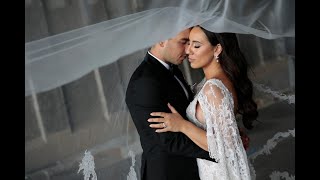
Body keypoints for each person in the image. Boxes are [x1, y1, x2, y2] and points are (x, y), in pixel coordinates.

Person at [148, 26, 258, 180]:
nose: (188, 51)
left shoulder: (213, 89)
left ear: (217, 49)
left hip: (220, 173)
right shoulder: (211, 82)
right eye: (189, 43)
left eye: (196, 45)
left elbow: (225, 148)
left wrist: (182, 126)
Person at [125, 28, 216, 180]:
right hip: (168, 172)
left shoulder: (170, 69)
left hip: (190, 167)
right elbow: (167, 140)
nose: (188, 50)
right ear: (161, 40)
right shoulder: (145, 82)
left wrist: (225, 133)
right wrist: (221, 149)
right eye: (183, 42)